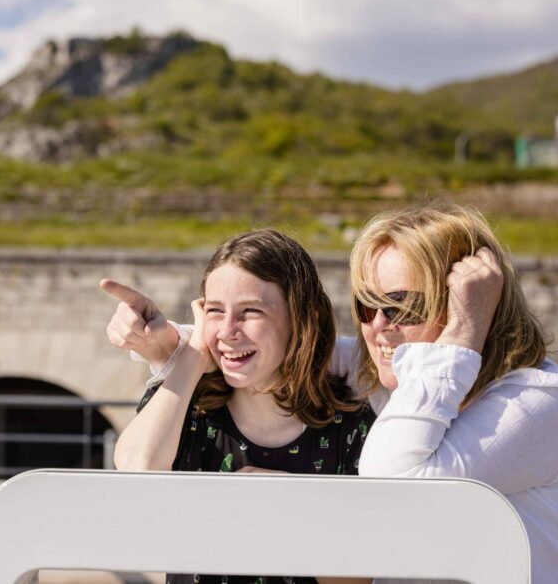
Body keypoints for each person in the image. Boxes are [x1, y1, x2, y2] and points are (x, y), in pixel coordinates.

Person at [105, 204, 558, 584]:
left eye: (404, 306)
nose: (379, 327)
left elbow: (394, 485)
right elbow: (278, 346)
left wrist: (462, 336)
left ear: (473, 311)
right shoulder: (390, 370)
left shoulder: (542, 399)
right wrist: (173, 339)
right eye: (366, 305)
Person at [103, 228, 374, 584]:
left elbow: (357, 579)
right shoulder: (190, 404)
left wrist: (293, 506)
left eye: (250, 311)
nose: (228, 330)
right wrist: (194, 355)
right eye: (215, 311)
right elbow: (138, 469)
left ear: (303, 319)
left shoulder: (350, 423)